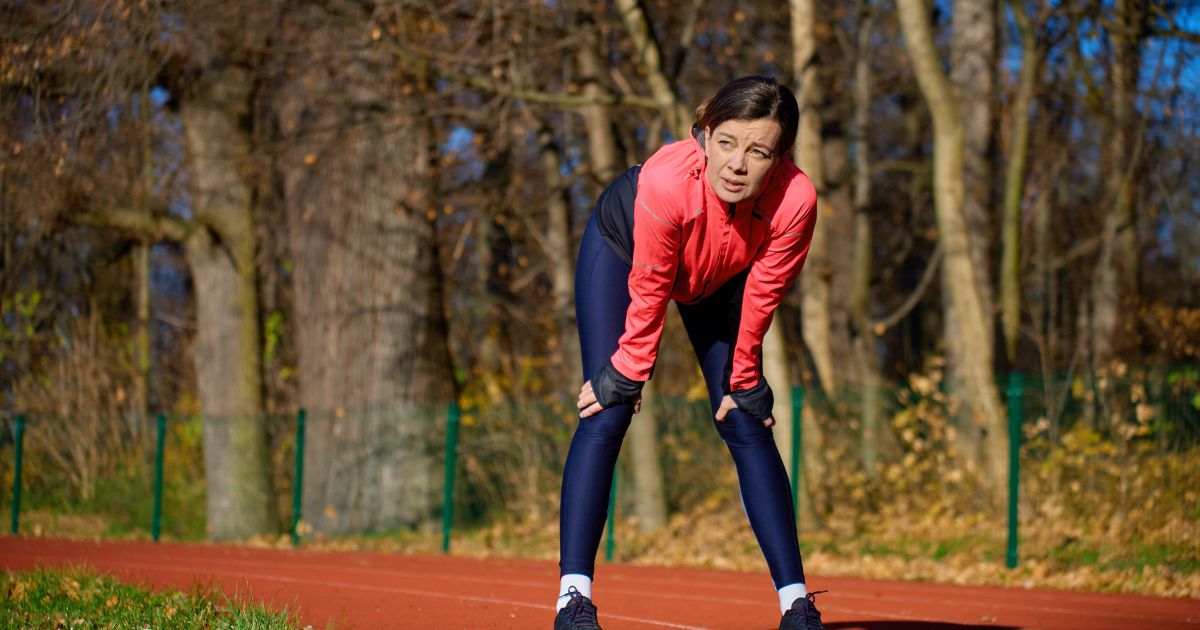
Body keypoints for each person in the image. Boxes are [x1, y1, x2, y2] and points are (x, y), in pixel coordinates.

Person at [553, 76, 824, 630]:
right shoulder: (666, 181)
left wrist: (744, 378)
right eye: (726, 142)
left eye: (758, 152)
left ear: (780, 158)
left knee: (746, 419)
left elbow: (763, 293)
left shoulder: (796, 201)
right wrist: (627, 373)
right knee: (609, 410)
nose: (737, 165)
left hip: (718, 277)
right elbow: (651, 284)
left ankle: (796, 605)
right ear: (703, 135)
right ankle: (572, 600)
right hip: (626, 248)